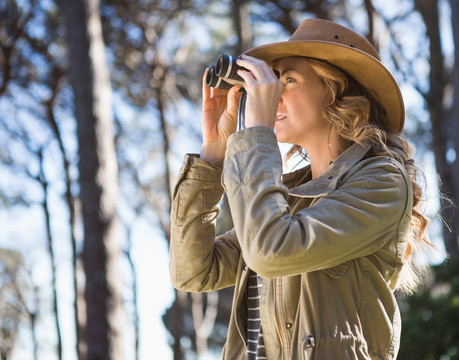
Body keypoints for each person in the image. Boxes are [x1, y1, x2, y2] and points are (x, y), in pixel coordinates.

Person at [170, 18, 435, 360]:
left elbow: (271, 250)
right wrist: (213, 152)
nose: (272, 92)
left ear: (337, 90)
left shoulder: (382, 181)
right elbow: (192, 271)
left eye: (288, 80)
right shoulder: (290, 198)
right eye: (272, 80)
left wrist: (256, 136)